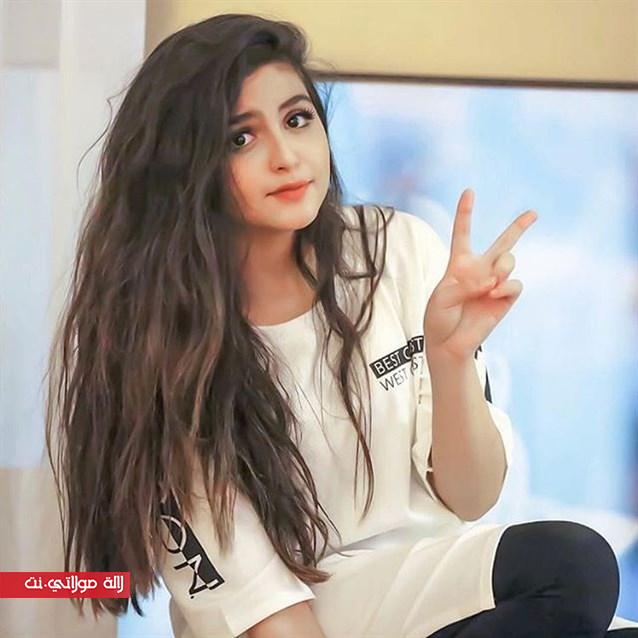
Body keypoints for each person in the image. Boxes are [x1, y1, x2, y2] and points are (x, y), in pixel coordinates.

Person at [44, 12, 638, 638]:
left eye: (297, 119)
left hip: (436, 594)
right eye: (240, 138)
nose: (286, 157)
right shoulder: (167, 351)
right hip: (300, 617)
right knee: (574, 565)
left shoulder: (397, 249)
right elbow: (265, 614)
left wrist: (452, 360)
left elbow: (472, 497)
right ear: (183, 165)